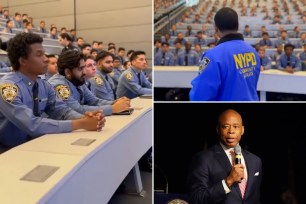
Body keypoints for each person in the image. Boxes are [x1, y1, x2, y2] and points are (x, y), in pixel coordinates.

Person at [0, 33, 105, 151]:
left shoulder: (43, 84)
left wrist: (86, 118)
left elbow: (62, 111)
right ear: (23, 60)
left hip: (36, 145)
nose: (45, 59)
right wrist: (80, 124)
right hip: (7, 152)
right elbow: (32, 125)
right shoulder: (7, 87)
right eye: (39, 55)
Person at [187, 109, 262, 204]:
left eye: (235, 126)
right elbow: (197, 198)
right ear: (218, 129)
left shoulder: (255, 160)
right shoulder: (203, 158)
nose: (231, 131)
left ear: (242, 130)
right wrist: (228, 181)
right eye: (226, 127)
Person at [189, 7, 260, 101]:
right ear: (237, 26)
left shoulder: (212, 56)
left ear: (216, 28)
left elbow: (200, 96)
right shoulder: (252, 51)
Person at [48, 50, 130, 116]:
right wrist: (112, 108)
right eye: (81, 68)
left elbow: (94, 101)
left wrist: (115, 102)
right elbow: (77, 109)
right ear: (68, 72)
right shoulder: (59, 85)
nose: (84, 72)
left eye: (84, 67)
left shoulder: (77, 79)